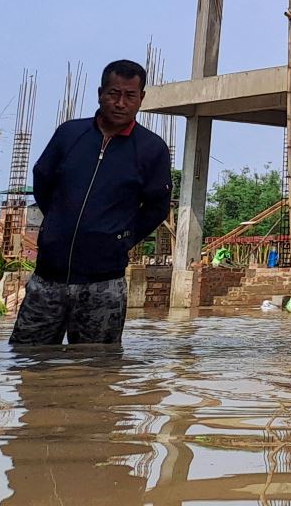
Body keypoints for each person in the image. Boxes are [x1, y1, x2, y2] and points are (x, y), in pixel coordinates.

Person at [9, 59, 171, 346]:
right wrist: (60, 224)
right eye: (113, 93)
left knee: (97, 373)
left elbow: (157, 206)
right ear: (100, 93)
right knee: (27, 363)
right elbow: (43, 182)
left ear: (141, 98)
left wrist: (120, 238)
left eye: (130, 96)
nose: (120, 103)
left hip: (103, 284)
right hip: (48, 279)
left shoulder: (151, 149)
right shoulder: (70, 135)